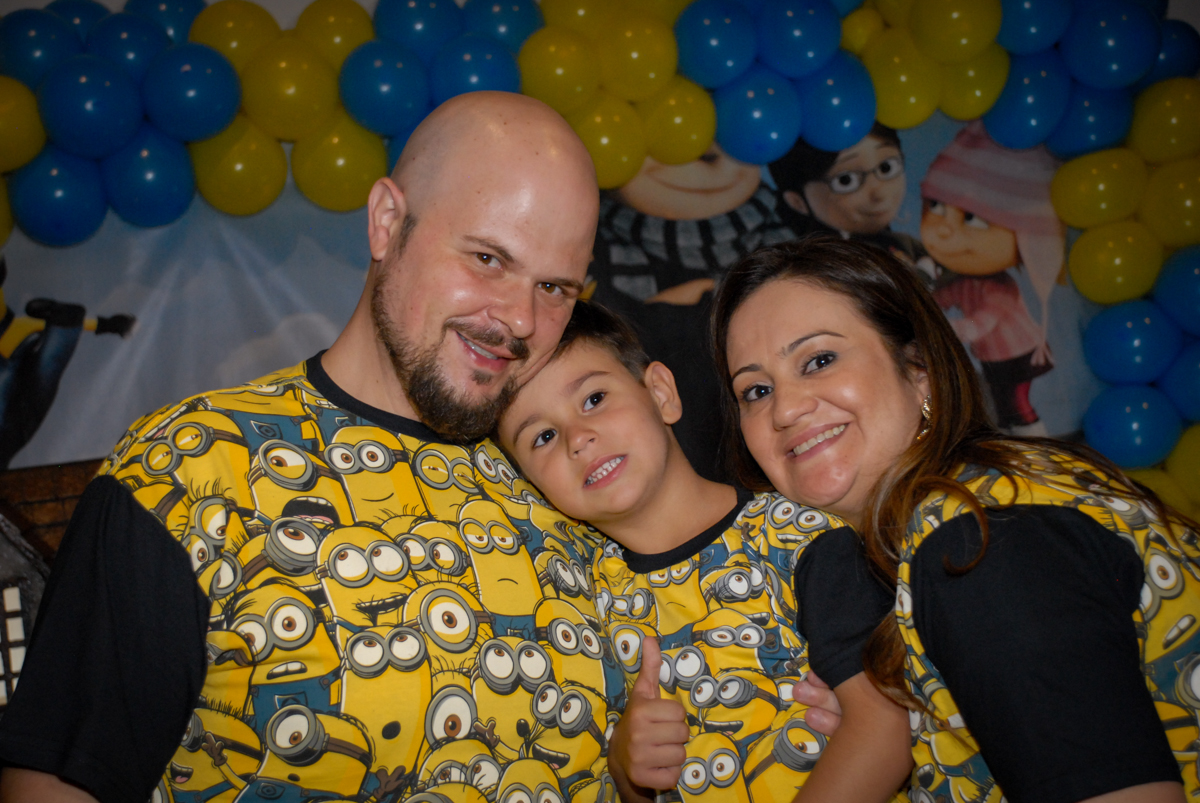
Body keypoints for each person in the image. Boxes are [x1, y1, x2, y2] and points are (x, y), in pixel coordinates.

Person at [0, 91, 615, 803]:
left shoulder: (566, 479)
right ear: (387, 221)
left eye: (554, 286)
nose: (519, 318)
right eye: (487, 258)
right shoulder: (191, 469)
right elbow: (57, 783)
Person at [712, 234, 1200, 803]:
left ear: (918, 371)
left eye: (819, 360)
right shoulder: (991, 490)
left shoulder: (975, 546)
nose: (786, 408)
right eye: (756, 389)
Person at [495, 301, 912, 803]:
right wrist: (627, 768)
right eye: (542, 437)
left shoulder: (794, 538)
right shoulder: (582, 606)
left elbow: (885, 728)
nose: (578, 439)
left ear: (660, 393)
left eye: (593, 399)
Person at [919, 121, 1065, 436]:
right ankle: (1020, 447)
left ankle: (1041, 454)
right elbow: (945, 298)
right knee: (1003, 405)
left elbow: (985, 319)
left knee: (1017, 404)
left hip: (1018, 354)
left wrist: (955, 329)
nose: (945, 231)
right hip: (994, 356)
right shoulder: (964, 281)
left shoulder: (1000, 288)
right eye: (936, 207)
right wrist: (922, 307)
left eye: (972, 218)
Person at [767, 125, 929, 281]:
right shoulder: (813, 265)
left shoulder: (904, 243)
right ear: (797, 201)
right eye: (846, 180)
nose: (878, 193)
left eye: (886, 168)